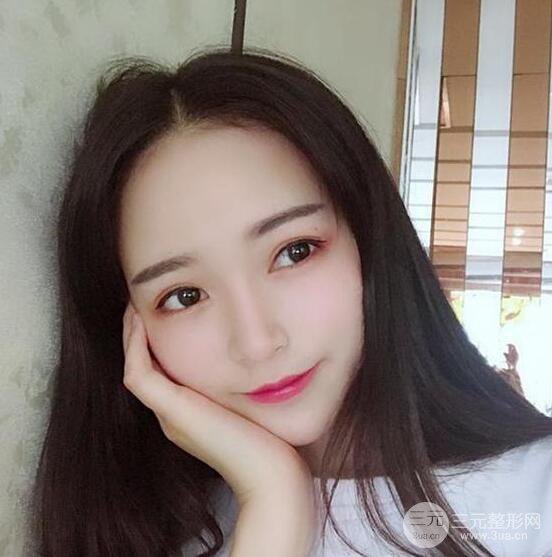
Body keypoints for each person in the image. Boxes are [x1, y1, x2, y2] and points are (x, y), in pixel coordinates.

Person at [27, 46, 552, 557]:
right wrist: (273, 501)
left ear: (369, 237)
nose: (258, 342)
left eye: (294, 252)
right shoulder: (135, 530)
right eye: (184, 296)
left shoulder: (536, 497)